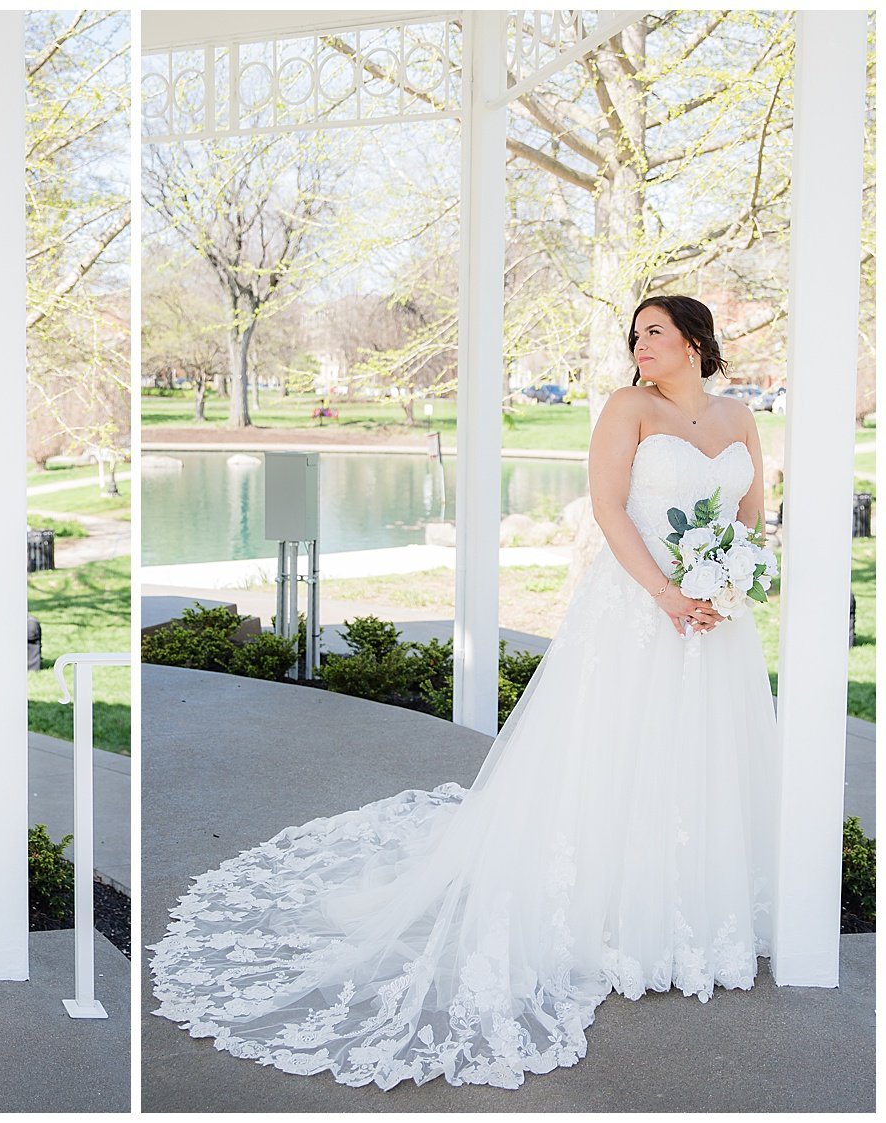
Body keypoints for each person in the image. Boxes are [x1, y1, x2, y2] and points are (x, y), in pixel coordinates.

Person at [149, 295, 781, 1091]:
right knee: (621, 750)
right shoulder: (627, 407)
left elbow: (751, 515)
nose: (640, 344)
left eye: (654, 331)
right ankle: (617, 917)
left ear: (695, 339)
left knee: (703, 757)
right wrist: (665, 590)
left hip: (716, 621)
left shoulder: (740, 415)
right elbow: (610, 510)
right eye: (635, 333)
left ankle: (696, 910)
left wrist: (729, 578)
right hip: (640, 608)